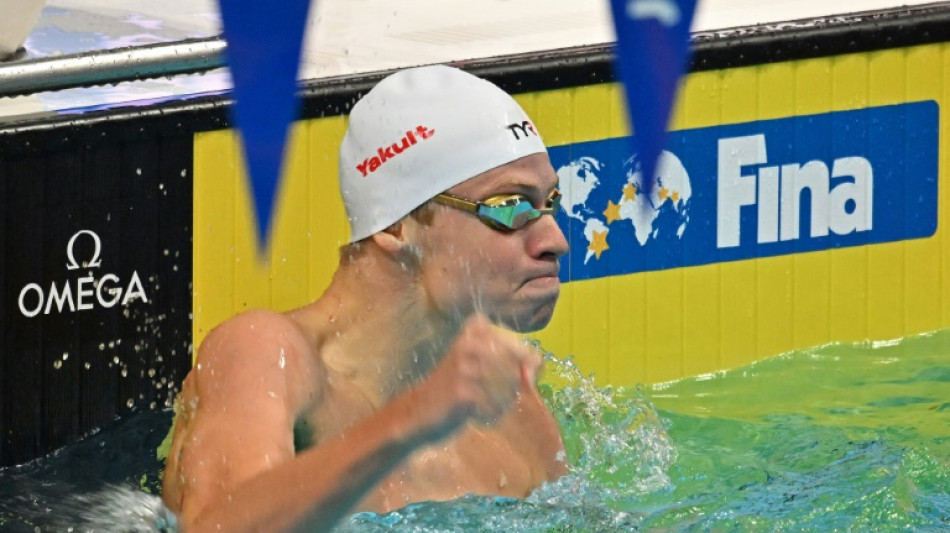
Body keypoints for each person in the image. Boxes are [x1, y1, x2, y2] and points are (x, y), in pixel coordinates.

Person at [161, 65, 570, 533]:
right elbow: (214, 527)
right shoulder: (268, 353)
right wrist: (414, 418)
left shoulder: (510, 408)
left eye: (549, 203)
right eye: (509, 207)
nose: (554, 239)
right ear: (397, 226)